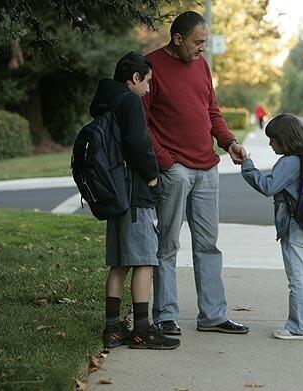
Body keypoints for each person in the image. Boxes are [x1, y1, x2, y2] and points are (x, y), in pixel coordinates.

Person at [143, 11, 249, 335]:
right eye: (198, 42)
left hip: (207, 167)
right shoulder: (150, 66)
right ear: (178, 39)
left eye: (204, 42)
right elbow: (141, 122)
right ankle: (165, 315)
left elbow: (211, 111)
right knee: (168, 244)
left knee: (208, 245)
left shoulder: (201, 65)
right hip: (176, 171)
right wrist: (166, 162)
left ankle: (213, 315)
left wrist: (229, 142)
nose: (203, 48)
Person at [93, 52, 180, 350]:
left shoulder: (106, 101)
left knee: (118, 264)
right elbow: (138, 142)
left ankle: (113, 329)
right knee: (145, 260)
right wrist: (152, 175)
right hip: (134, 191)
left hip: (114, 190)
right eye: (147, 83)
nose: (148, 89)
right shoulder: (129, 101)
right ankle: (143, 330)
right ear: (134, 78)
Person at [240, 113, 303, 340]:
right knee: (302, 276)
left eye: (273, 139)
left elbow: (268, 187)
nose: (270, 143)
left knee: (296, 279)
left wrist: (248, 166)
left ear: (284, 139)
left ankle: (299, 327)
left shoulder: (288, 162)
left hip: (294, 226)